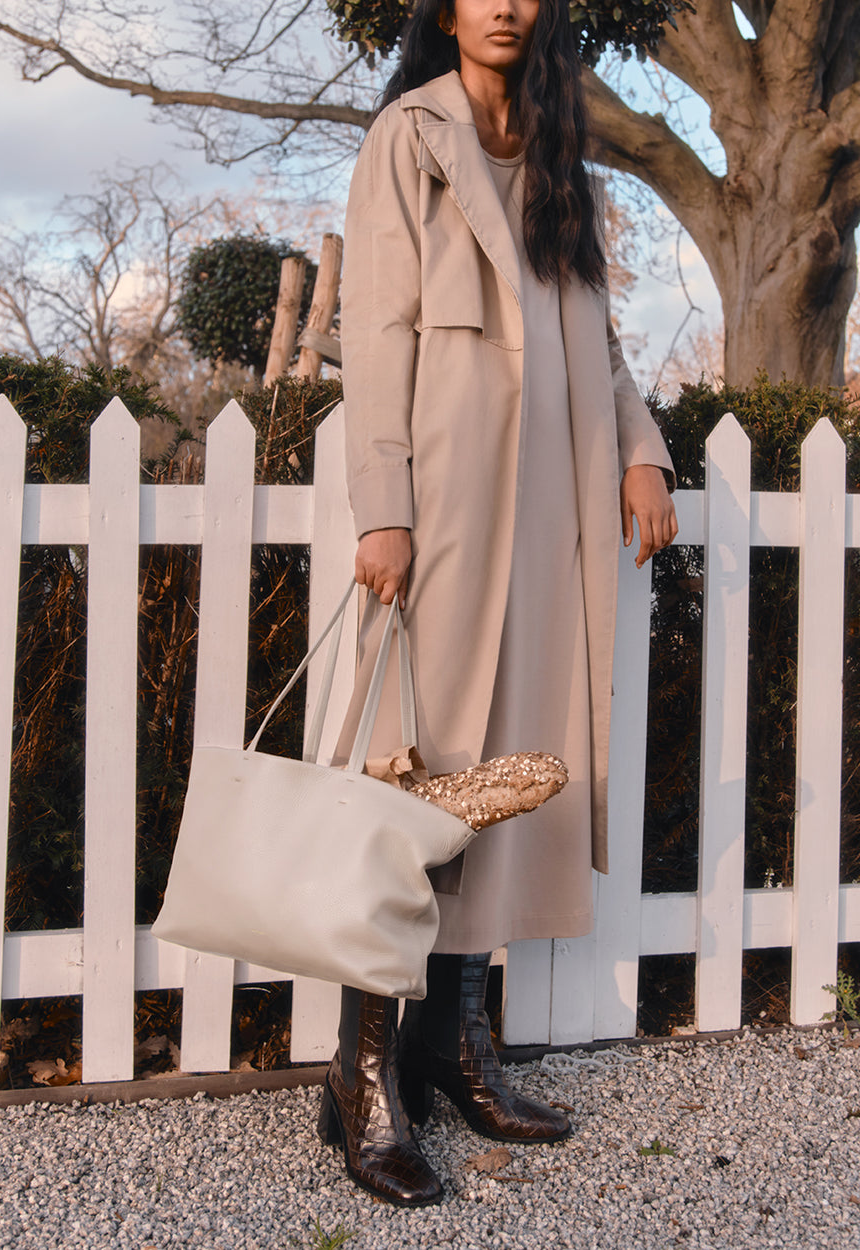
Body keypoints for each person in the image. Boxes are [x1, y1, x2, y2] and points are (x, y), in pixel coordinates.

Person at [317, 0, 677, 1207]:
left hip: (555, 505)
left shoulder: (560, 148)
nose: (506, 4)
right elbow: (373, 327)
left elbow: (604, 336)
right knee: (413, 770)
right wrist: (384, 502)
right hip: (448, 493)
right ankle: (362, 1073)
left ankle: (456, 1042)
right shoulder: (407, 138)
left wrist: (640, 446)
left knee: (512, 771)